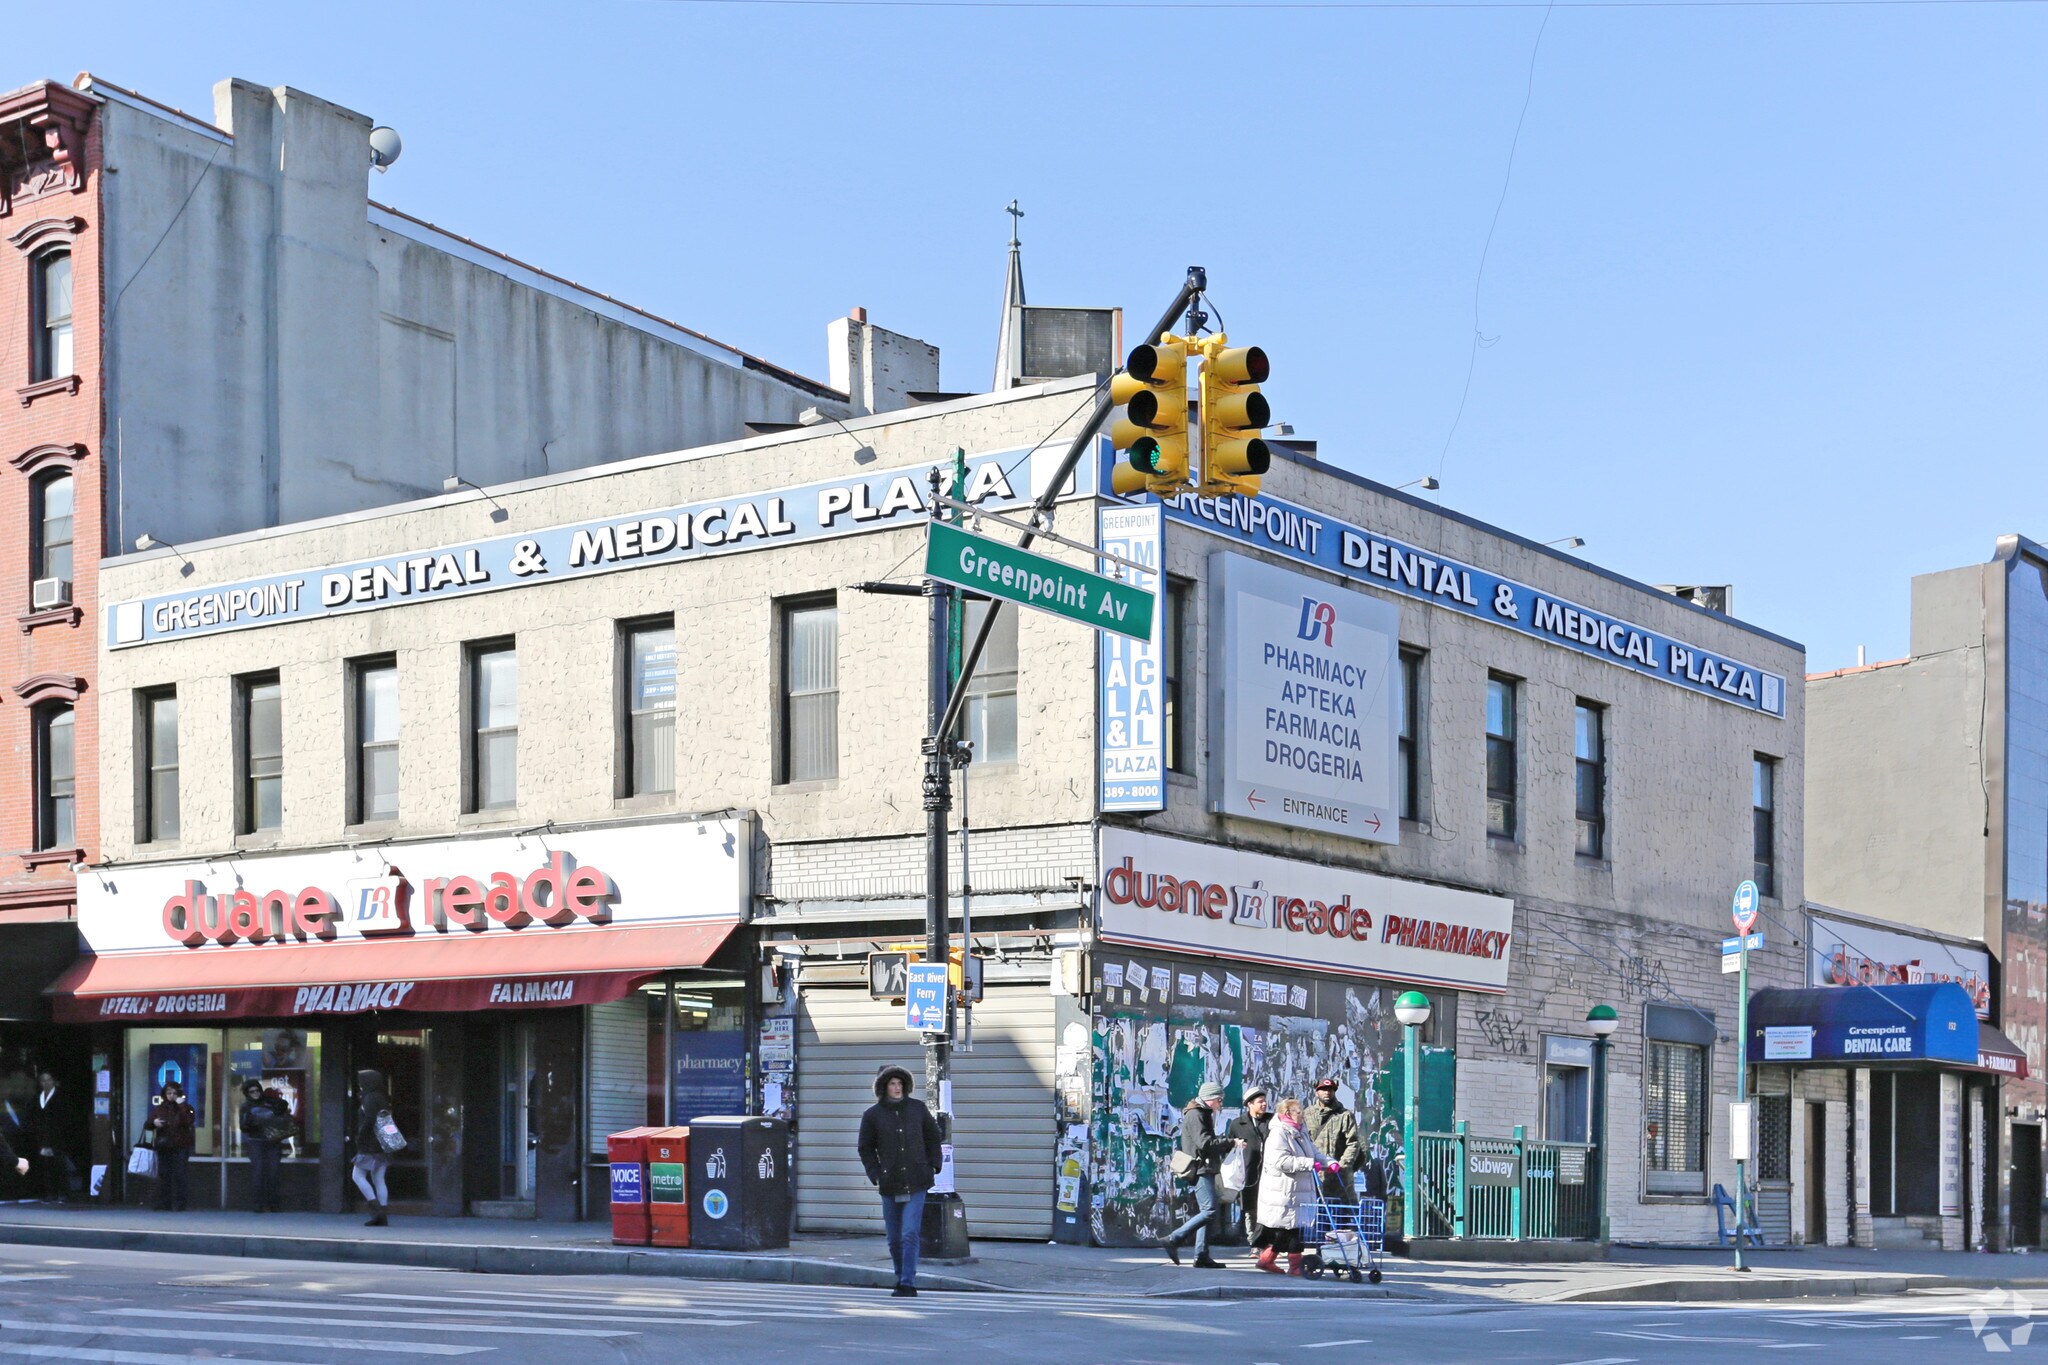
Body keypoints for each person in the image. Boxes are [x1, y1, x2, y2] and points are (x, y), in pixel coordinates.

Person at [856, 1064, 944, 1298]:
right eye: (892, 1084)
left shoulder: (918, 1109)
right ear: (883, 1087)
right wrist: (876, 1173)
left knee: (910, 1233)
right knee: (894, 1239)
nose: (897, 1088)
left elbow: (933, 1137)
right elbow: (865, 1148)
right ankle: (900, 1275)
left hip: (917, 1180)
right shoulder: (872, 1115)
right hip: (890, 1182)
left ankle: (907, 1282)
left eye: (900, 1083)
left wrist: (934, 1165)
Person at [1161, 1081, 1239, 1269]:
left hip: (1205, 1167)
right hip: (1201, 1168)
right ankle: (1174, 1238)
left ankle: (1201, 1255)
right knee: (1210, 1211)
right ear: (1210, 1098)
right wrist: (1231, 1143)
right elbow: (1204, 1143)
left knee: (1207, 1212)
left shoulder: (1202, 1113)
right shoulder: (1196, 1115)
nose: (1220, 1104)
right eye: (1219, 1100)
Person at [1254, 1097, 1331, 1276]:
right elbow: (1281, 1161)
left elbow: (1314, 1153)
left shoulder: (1300, 1132)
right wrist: (1309, 1164)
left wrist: (1329, 1162)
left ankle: (1267, 1260)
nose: (1302, 1114)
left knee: (1291, 1229)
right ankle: (1294, 1266)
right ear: (1287, 1113)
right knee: (1292, 1230)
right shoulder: (1279, 1133)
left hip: (1297, 1190)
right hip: (1284, 1190)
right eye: (1298, 1111)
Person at [1225, 1087, 1273, 1243]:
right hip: (1248, 1173)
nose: (1264, 1104)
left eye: (1264, 1101)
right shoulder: (1237, 1124)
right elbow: (1229, 1148)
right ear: (1249, 1104)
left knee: (1269, 1207)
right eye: (1260, 1102)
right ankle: (1253, 1240)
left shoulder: (1272, 1121)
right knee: (1250, 1208)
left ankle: (1268, 1241)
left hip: (1270, 1172)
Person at [239, 1081, 292, 1213]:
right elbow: (244, 1127)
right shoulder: (246, 1106)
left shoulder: (268, 1102)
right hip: (256, 1141)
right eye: (252, 1092)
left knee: (274, 1172)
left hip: (272, 1140)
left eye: (257, 1091)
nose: (256, 1094)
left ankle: (273, 1204)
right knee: (259, 1172)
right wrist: (254, 1123)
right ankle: (258, 1204)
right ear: (247, 1093)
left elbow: (283, 1105)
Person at [1307, 1079, 1362, 1202]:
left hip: (1339, 1177)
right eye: (1323, 1090)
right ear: (1316, 1092)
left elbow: (1353, 1143)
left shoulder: (1345, 1115)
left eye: (1330, 1090)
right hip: (1315, 1176)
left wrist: (1343, 1165)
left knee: (1344, 1210)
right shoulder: (1307, 1114)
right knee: (1317, 1210)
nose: (1327, 1092)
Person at [351, 1069, 395, 1227]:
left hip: (369, 1145)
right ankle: (383, 1213)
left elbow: (369, 1121)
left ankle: (376, 1210)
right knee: (379, 1178)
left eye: (361, 1080)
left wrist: (360, 1138)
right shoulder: (382, 1098)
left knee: (357, 1176)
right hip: (383, 1144)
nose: (359, 1084)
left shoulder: (368, 1098)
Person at [147, 1081, 196, 1212]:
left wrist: (182, 1105)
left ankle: (180, 1204)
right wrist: (154, 1122)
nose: (171, 1095)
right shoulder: (160, 1108)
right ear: (164, 1094)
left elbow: (189, 1121)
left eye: (174, 1093)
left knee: (180, 1174)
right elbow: (148, 1124)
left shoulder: (186, 1107)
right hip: (164, 1145)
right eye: (169, 1093)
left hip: (181, 1145)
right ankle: (165, 1203)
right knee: (164, 1175)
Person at [29, 1070, 76, 1202]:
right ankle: (50, 1193)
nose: (46, 1083)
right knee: (46, 1166)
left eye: (48, 1080)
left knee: (59, 1165)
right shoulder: (37, 1098)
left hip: (58, 1138)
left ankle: (63, 1193)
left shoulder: (61, 1097)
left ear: (53, 1081)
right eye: (43, 1080)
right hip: (42, 1137)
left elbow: (66, 1118)